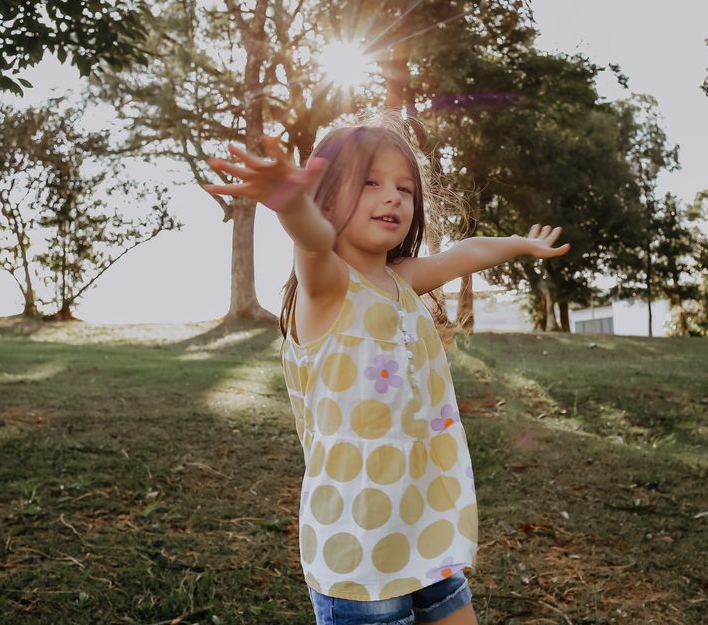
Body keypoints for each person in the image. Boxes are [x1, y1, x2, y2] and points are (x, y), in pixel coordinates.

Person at [203, 122, 569, 625]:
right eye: (370, 182)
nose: (392, 196)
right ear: (324, 201)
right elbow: (312, 240)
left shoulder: (402, 280)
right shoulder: (326, 286)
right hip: (359, 546)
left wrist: (518, 244)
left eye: (405, 188)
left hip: (423, 526)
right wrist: (290, 204)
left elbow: (463, 254)